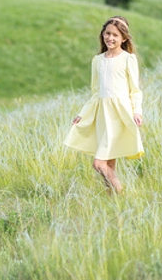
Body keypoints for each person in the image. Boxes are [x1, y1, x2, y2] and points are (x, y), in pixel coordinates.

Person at [64, 16, 144, 194]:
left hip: (119, 115)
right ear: (102, 35)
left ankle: (121, 192)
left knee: (98, 163)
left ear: (124, 38)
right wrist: (82, 114)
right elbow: (95, 93)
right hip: (102, 116)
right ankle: (111, 198)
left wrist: (137, 112)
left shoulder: (128, 59)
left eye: (115, 35)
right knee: (108, 165)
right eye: (107, 33)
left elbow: (135, 91)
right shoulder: (98, 60)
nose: (110, 38)